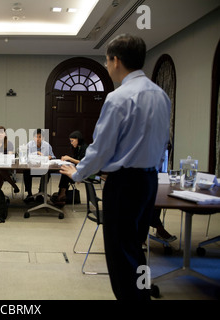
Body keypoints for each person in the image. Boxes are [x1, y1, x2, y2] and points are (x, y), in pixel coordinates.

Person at [60, 34, 171, 300]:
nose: (107, 66)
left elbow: (101, 149)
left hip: (124, 183)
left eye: (107, 61)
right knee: (135, 246)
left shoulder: (119, 97)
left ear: (115, 60)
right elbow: (163, 141)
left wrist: (78, 174)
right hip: (149, 181)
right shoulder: (161, 95)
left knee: (120, 255)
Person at [52, 131, 88, 205]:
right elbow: (75, 159)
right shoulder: (78, 148)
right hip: (79, 169)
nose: (71, 143)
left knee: (66, 173)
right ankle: (61, 193)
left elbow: (82, 162)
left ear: (78, 139)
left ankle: (62, 194)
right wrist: (68, 159)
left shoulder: (85, 148)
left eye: (72, 141)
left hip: (86, 171)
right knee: (65, 170)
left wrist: (70, 158)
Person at [23, 129, 56, 203]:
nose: (37, 139)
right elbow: (25, 157)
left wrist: (50, 157)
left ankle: (40, 194)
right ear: (33, 137)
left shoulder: (47, 145)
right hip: (31, 168)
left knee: (47, 173)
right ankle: (29, 194)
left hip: (43, 168)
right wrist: (36, 153)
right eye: (36, 137)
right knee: (26, 172)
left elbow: (53, 156)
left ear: (43, 138)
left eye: (40, 137)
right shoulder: (29, 144)